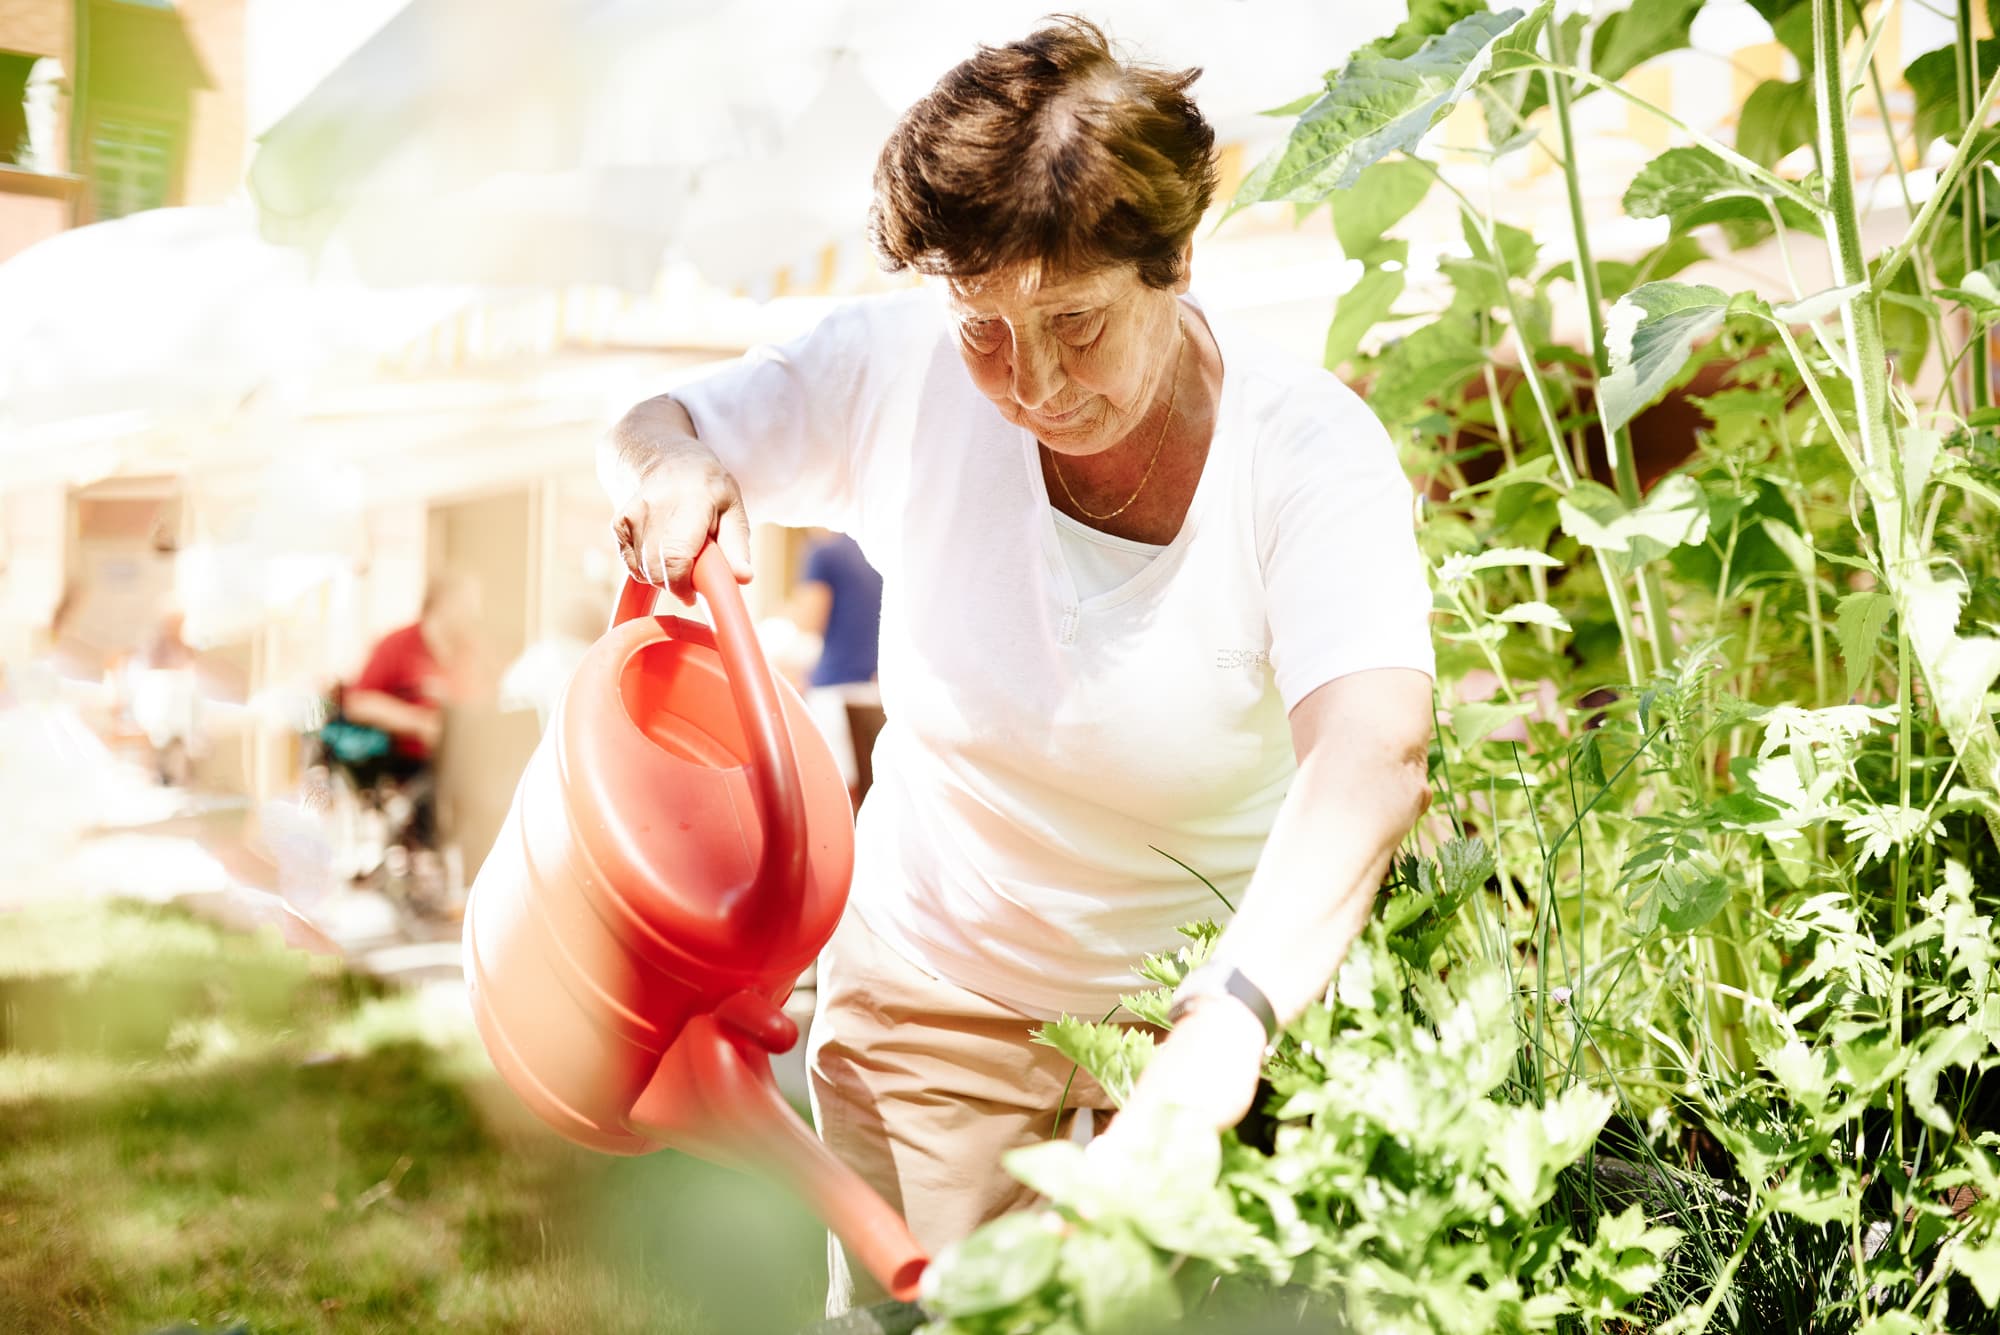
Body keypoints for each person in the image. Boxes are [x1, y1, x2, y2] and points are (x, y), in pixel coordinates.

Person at [599, 20, 1435, 1314]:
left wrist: (1226, 1024)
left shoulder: (1304, 452)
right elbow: (658, 424)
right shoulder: (899, 373)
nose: (1032, 380)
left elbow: (1369, 756)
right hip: (938, 992)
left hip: (1218, 995)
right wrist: (668, 466)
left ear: (1175, 263)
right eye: (984, 327)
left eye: (1076, 322)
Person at [339, 572, 482, 884]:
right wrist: (416, 722)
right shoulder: (397, 645)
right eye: (468, 604)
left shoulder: (469, 652)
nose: (475, 613)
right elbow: (358, 702)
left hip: (461, 759)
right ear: (442, 603)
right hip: (406, 762)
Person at [787, 530, 884, 801]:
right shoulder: (873, 551)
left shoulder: (823, 553)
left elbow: (809, 623)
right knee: (869, 792)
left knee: (832, 794)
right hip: (875, 692)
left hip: (834, 691)